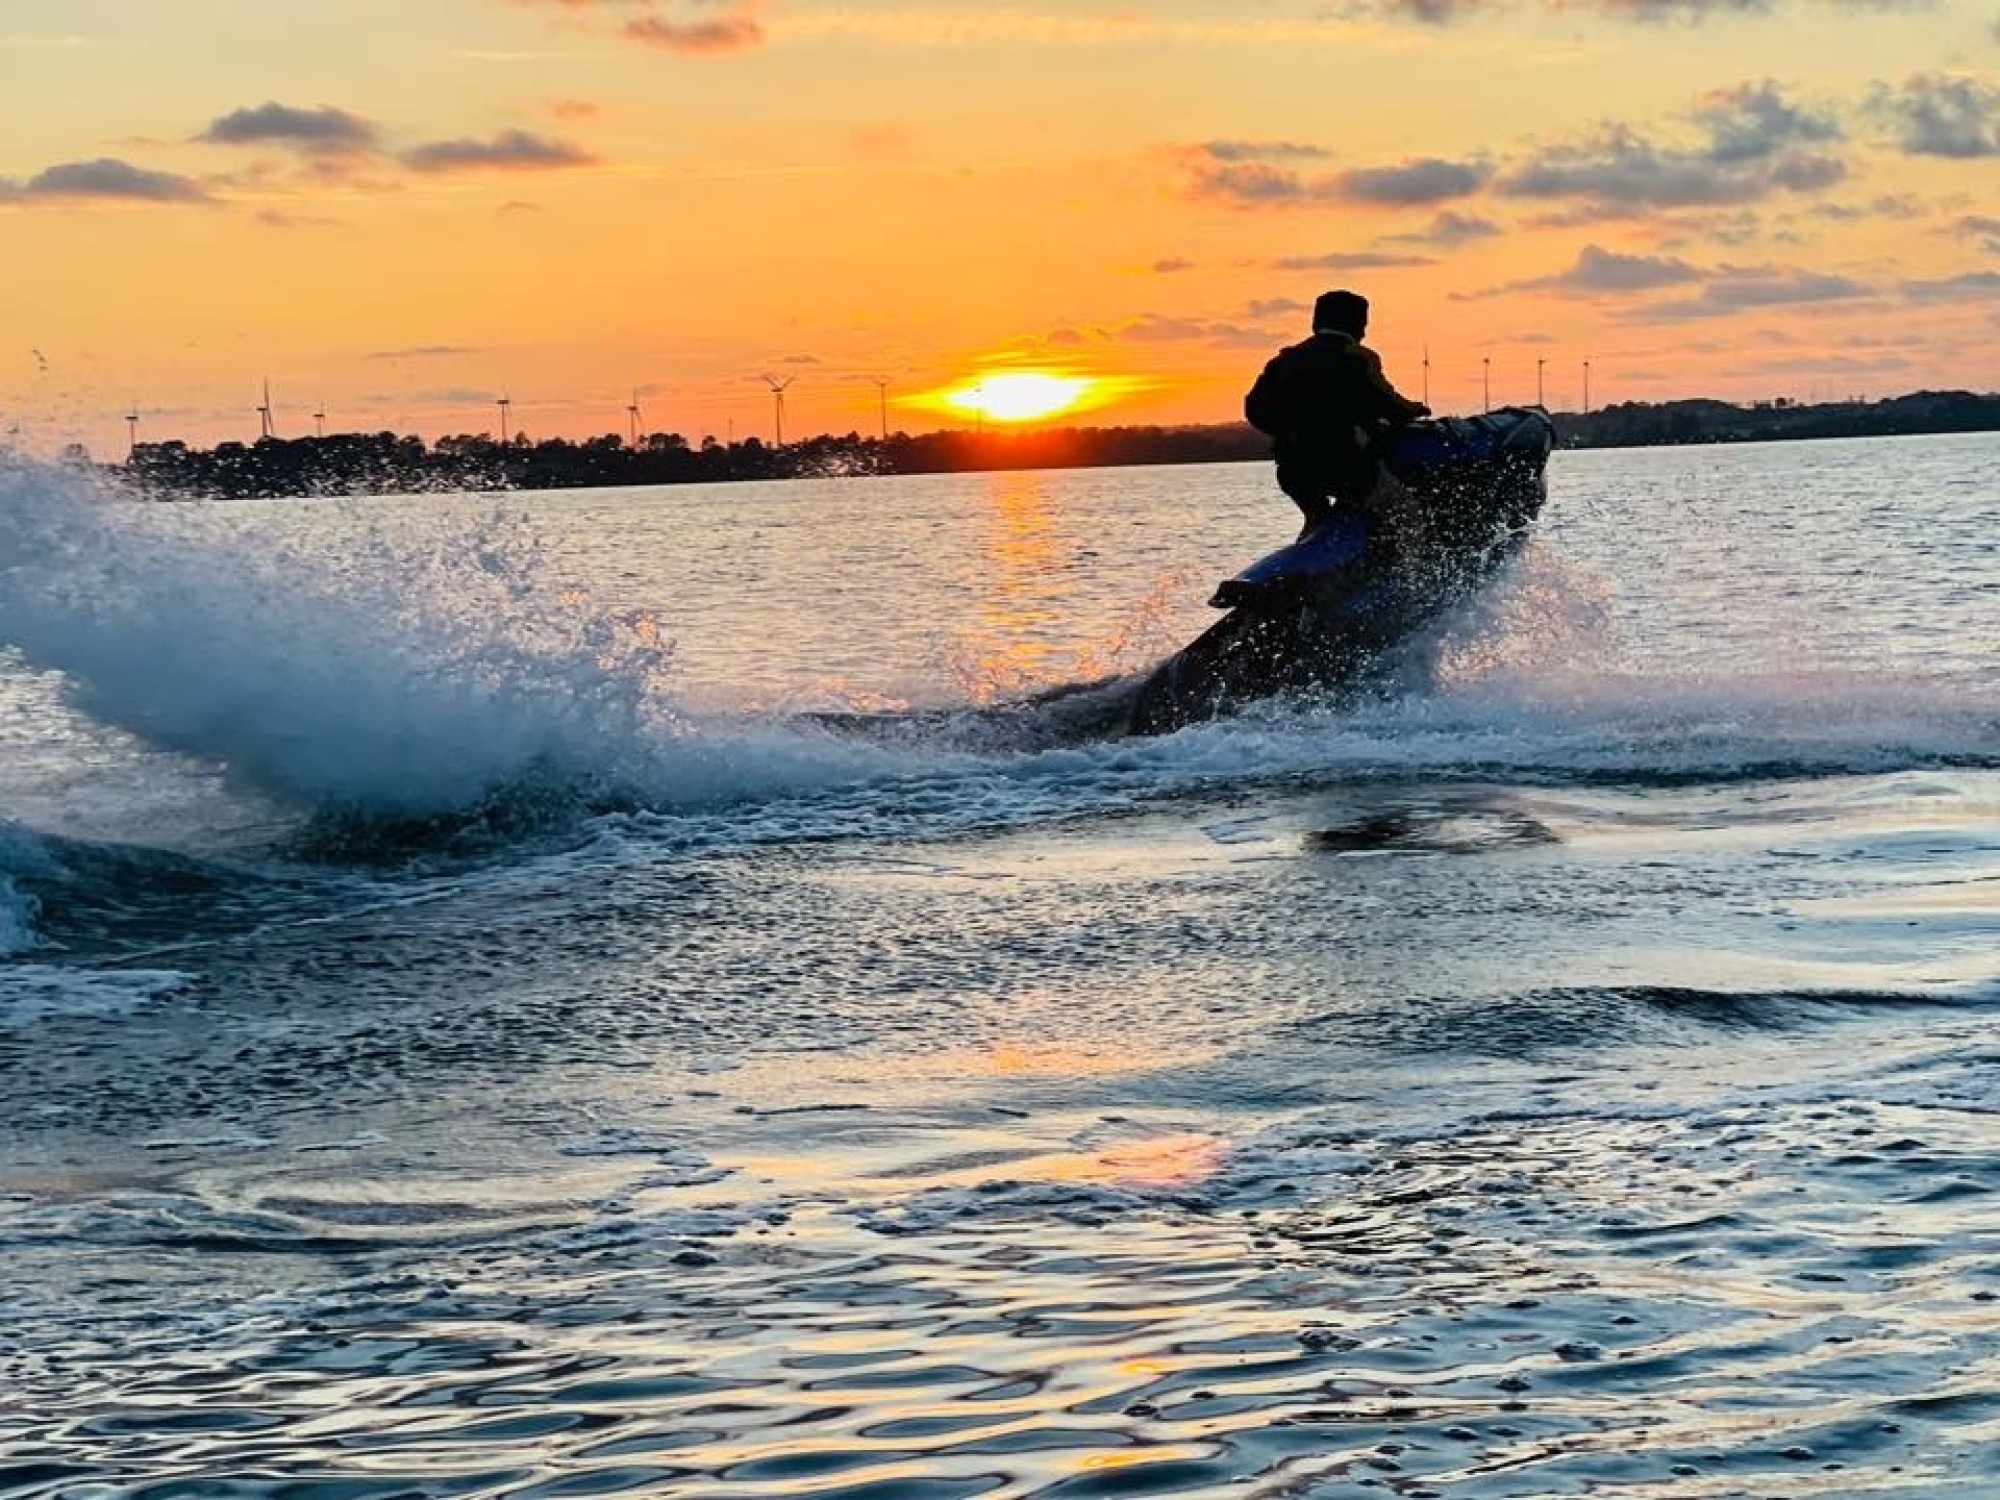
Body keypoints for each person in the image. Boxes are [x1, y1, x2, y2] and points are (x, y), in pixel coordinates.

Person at [1245, 289, 1429, 538]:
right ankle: (1412, 563)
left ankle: (1307, 556)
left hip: (1292, 470)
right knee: (1405, 512)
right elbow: (1387, 403)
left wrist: (1291, 431)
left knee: (1317, 519)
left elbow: (1254, 409)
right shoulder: (1357, 358)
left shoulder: (1284, 360)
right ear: (1358, 325)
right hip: (1343, 466)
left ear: (1316, 323)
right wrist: (1415, 410)